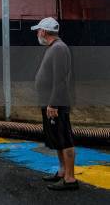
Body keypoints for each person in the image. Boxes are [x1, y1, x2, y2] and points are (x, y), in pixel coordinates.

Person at [31, 17, 78, 191]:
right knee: (58, 139)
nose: (37, 33)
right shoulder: (54, 48)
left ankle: (70, 179)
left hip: (56, 103)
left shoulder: (59, 48)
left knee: (65, 139)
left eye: (38, 31)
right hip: (51, 103)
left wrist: (53, 104)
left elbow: (60, 80)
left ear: (44, 31)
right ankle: (61, 172)